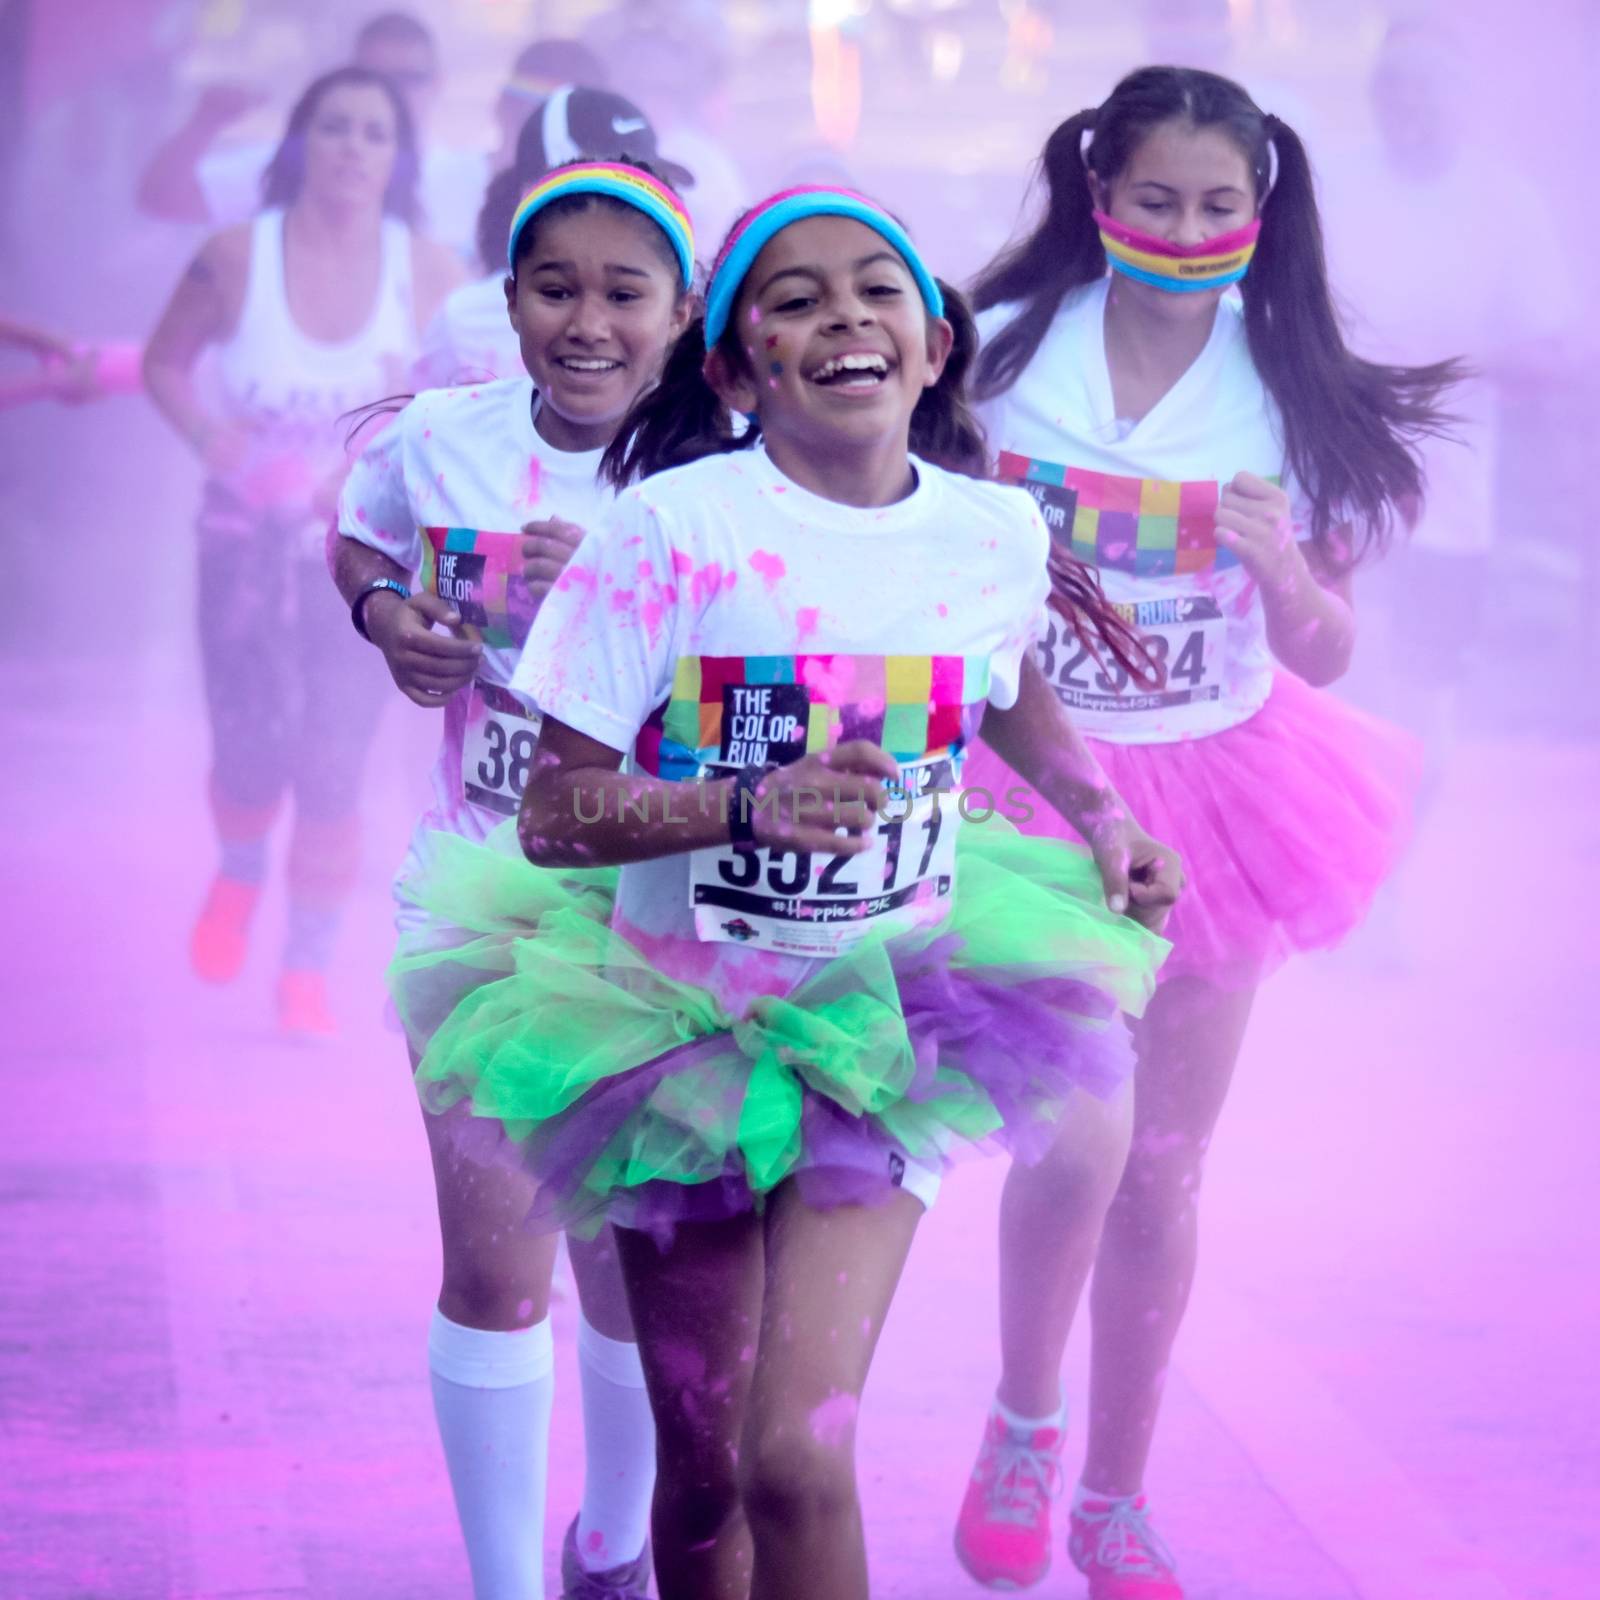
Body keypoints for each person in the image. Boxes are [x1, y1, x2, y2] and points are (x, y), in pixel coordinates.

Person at [403, 184, 1182, 1600]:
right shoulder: (668, 535)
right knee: (704, 1496)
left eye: (878, 288)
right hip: (672, 1032)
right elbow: (557, 812)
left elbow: (1006, 689)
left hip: (887, 1028)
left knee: (798, 1461)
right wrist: (745, 805)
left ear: (935, 343)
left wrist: (1104, 821)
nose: (844, 317)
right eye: (797, 297)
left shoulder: (991, 534)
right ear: (736, 363)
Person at [950, 67, 1462, 1599]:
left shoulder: (1293, 393)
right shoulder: (995, 357)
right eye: (1156, 202)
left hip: (1227, 794)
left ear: (1262, 213)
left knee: (1164, 1170)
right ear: (1099, 193)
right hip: (1037, 791)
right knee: (1073, 1139)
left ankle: (1116, 1491)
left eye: (1218, 208)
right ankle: (1022, 1426)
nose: (1185, 233)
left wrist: (1285, 574)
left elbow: (1323, 650)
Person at [333, 161, 697, 1600]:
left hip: (661, 922)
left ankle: (610, 1544)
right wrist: (384, 614)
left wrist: (624, 579)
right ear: (510, 302)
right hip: (482, 900)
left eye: (627, 294)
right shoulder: (444, 440)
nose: (589, 323)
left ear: (684, 317)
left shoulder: (724, 472)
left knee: (625, 1264)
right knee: (497, 1269)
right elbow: (362, 533)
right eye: (558, 288)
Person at [142, 65, 462, 1035]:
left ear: (397, 158)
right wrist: (215, 442)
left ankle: (306, 964)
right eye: (334, 128)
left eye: (374, 133)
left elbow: (447, 406)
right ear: (299, 146)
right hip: (241, 545)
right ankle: (240, 871)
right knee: (249, 751)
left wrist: (369, 472)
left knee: (331, 757)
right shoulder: (236, 254)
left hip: (361, 556)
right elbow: (163, 362)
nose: (352, 150)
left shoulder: (429, 272)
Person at [136, 10, 489, 259]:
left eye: (408, 78)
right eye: (374, 76)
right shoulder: (293, 165)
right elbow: (164, 198)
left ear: (438, 83)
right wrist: (204, 122)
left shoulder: (474, 182)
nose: (389, 93)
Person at [416, 86, 693, 389]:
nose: (589, 330)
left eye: (649, 187)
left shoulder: (692, 333)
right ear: (531, 192)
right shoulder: (463, 323)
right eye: (606, 188)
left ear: (679, 314)